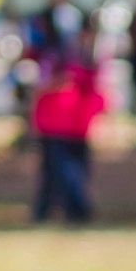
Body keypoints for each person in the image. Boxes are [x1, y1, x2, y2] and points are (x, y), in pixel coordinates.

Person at [32, 14, 106, 223]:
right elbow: (42, 84)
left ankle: (66, 210)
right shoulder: (58, 56)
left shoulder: (88, 57)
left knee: (75, 169)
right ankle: (59, 210)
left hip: (77, 123)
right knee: (59, 170)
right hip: (55, 122)